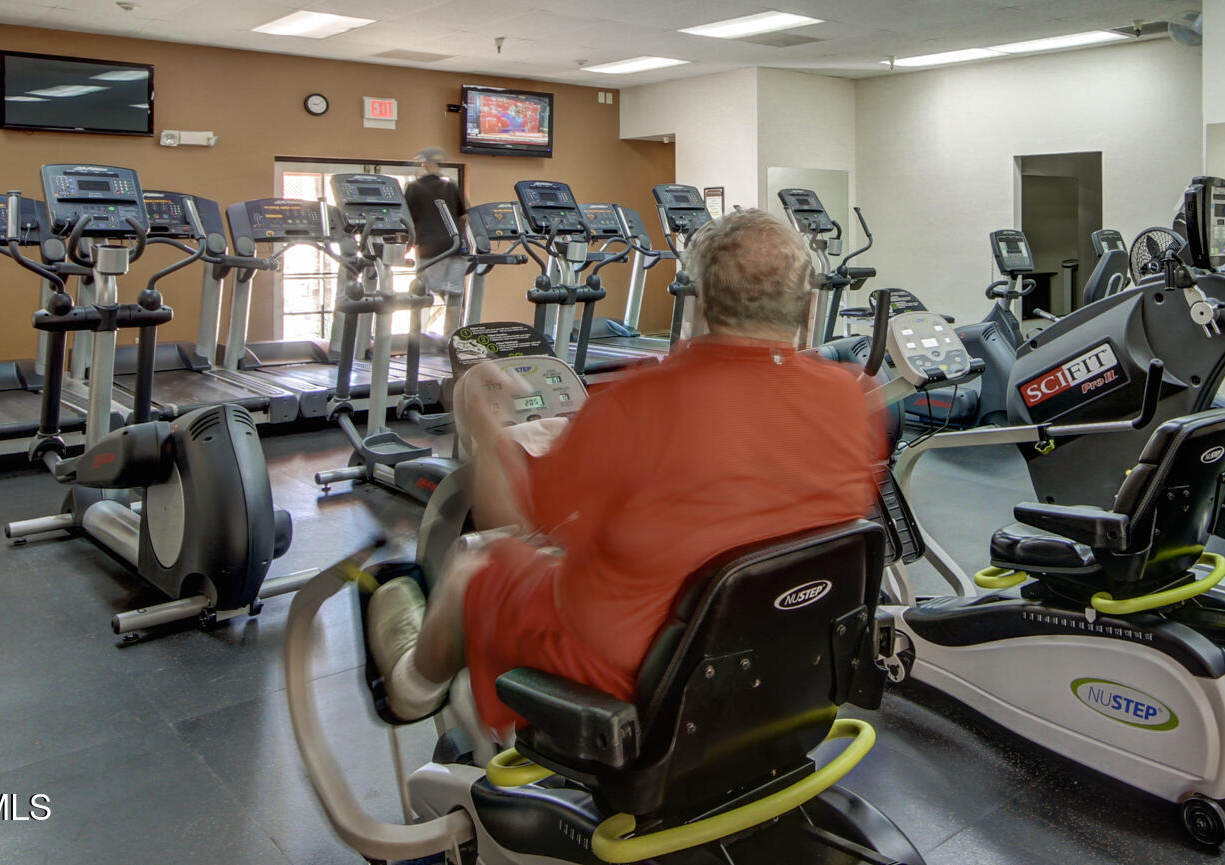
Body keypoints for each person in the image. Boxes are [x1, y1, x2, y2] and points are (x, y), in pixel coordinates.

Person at [367, 208, 883, 738]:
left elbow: (516, 519)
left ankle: (409, 691)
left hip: (642, 668)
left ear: (701, 302)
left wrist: (487, 430)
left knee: (474, 566)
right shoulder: (849, 396)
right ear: (808, 305)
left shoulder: (638, 400)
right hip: (788, 652)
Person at [403, 148, 468, 329]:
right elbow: (464, 217)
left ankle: (418, 339)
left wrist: (405, 247)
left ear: (425, 163)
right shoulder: (451, 186)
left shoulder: (414, 188)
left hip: (429, 251)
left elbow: (406, 221)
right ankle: (450, 338)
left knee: (422, 297)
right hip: (454, 248)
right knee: (454, 298)